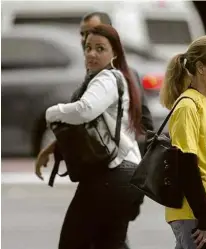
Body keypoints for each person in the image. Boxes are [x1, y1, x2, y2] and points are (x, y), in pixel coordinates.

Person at [35, 24, 144, 249]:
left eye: (100, 48)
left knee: (73, 243)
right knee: (111, 244)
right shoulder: (118, 78)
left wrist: (52, 112)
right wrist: (51, 149)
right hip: (127, 174)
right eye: (88, 48)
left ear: (114, 53)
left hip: (110, 174)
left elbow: (85, 110)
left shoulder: (106, 79)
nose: (92, 54)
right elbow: (93, 129)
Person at [159, 33, 206, 249]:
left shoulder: (204, 102)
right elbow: (186, 165)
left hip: (201, 210)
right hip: (193, 212)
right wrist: (203, 218)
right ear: (201, 67)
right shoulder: (187, 106)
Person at [80, 11, 154, 134]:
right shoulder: (92, 72)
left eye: (92, 32)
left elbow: (144, 119)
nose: (85, 38)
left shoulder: (122, 74)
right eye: (83, 34)